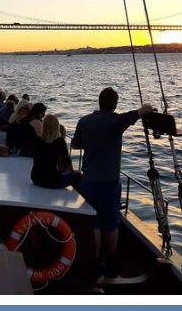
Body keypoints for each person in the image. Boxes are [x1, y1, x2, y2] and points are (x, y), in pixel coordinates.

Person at [71, 87, 155, 278]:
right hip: (108, 185)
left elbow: (76, 145)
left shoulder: (84, 121)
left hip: (87, 181)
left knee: (94, 223)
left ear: (99, 101)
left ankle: (94, 261)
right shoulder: (117, 121)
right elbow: (144, 109)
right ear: (115, 104)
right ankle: (108, 259)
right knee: (110, 225)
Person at [31, 115, 82, 189]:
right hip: (52, 181)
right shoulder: (59, 142)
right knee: (78, 176)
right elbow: (66, 161)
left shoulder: (38, 141)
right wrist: (73, 171)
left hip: (36, 178)